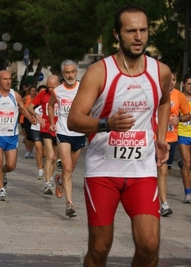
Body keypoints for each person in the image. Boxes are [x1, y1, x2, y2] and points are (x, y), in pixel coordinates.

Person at [67, 5, 171, 267]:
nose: (138, 37)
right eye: (131, 31)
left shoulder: (160, 71)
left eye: (143, 30)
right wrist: (106, 123)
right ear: (117, 34)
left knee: (149, 246)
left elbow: (165, 101)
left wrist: (160, 137)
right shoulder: (100, 72)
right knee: (100, 248)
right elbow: (74, 118)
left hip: (142, 171)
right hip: (103, 171)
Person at [0, 70, 33, 201]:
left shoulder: (15, 95)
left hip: (12, 135)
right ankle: (1, 189)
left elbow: (23, 109)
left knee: (11, 165)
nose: (8, 82)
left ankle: (2, 172)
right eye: (5, 79)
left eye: (9, 79)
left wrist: (31, 119)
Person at [49, 59, 85, 218]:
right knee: (68, 167)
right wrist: (52, 122)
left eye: (72, 72)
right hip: (63, 131)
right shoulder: (58, 91)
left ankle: (61, 180)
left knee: (71, 168)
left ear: (76, 72)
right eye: (66, 72)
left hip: (79, 132)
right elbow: (51, 105)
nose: (70, 75)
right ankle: (69, 204)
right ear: (62, 74)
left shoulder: (84, 89)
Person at [157, 70, 191, 216]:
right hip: (154, 138)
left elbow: (188, 113)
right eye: (168, 79)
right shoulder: (155, 93)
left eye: (173, 79)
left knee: (165, 171)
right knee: (161, 171)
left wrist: (179, 119)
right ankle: (164, 204)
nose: (170, 82)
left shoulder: (179, 95)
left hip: (171, 139)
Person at [27, 75, 60, 195]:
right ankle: (47, 183)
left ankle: (50, 177)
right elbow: (30, 107)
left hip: (60, 129)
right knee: (50, 155)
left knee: (55, 157)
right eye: (48, 87)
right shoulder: (43, 94)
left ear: (58, 85)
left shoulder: (63, 94)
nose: (50, 89)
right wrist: (38, 117)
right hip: (46, 128)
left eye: (53, 87)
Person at [28, 85, 47, 180]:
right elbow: (28, 110)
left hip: (46, 130)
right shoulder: (35, 103)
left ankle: (45, 166)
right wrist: (32, 118)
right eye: (41, 92)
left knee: (45, 153)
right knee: (39, 150)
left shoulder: (50, 102)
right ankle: (40, 170)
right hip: (35, 129)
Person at [177, 73, 191, 204]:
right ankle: (188, 193)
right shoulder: (180, 98)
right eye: (189, 84)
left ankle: (181, 165)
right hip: (183, 134)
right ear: (184, 84)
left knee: (188, 163)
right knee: (188, 163)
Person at [21, 86, 37, 159]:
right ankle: (27, 150)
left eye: (35, 91)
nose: (33, 92)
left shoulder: (37, 98)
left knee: (33, 136)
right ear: (29, 92)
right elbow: (20, 106)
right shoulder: (26, 98)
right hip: (26, 119)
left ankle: (31, 151)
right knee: (28, 135)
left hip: (34, 119)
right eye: (32, 91)